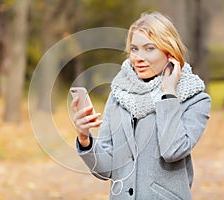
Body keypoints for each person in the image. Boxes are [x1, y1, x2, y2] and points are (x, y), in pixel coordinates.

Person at [71, 11, 211, 200]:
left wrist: (168, 94)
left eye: (149, 48)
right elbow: (106, 170)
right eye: (134, 49)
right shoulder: (118, 95)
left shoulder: (195, 100)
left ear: (169, 52)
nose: (138, 57)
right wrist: (85, 139)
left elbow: (173, 151)